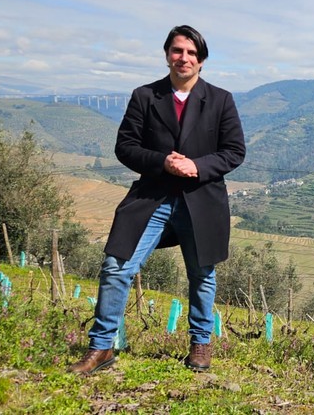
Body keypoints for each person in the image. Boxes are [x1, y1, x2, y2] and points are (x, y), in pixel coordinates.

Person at [68, 25, 246, 375]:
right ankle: (102, 347)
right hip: (152, 197)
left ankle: (200, 343)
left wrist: (196, 165)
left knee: (202, 273)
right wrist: (162, 161)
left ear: (202, 61)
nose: (184, 58)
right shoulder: (145, 96)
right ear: (167, 55)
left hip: (202, 200)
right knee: (117, 266)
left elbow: (234, 151)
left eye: (192, 53)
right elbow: (126, 147)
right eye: (178, 51)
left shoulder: (221, 99)